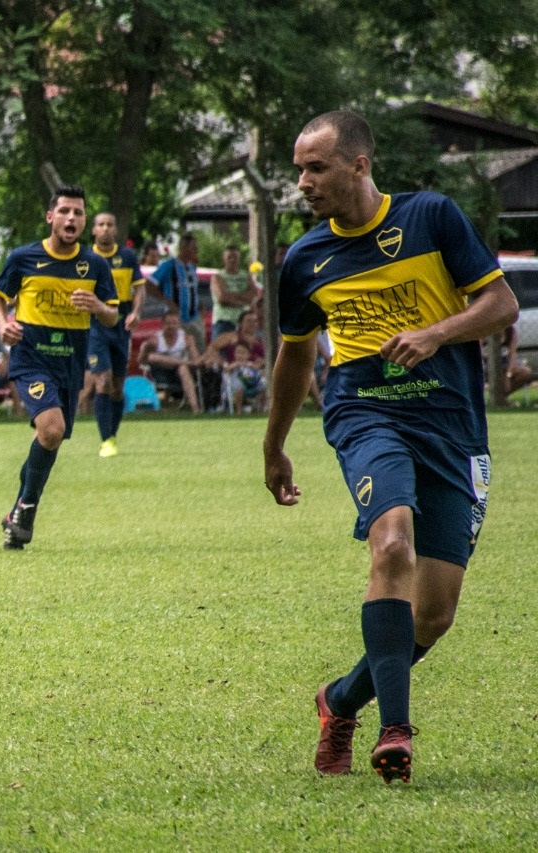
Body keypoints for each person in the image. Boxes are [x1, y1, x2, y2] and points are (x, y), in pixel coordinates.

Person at [263, 110, 518, 784]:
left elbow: (501, 307)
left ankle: (339, 700)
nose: (303, 182)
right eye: (299, 169)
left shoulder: (431, 217)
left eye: (315, 167)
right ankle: (394, 732)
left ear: (359, 164)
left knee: (433, 614)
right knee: (392, 543)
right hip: (364, 412)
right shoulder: (305, 258)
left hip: (451, 426)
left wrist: (435, 333)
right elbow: (293, 360)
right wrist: (274, 445)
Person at [0, 184, 116, 550]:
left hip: (70, 363)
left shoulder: (94, 265)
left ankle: (16, 513)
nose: (72, 218)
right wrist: (3, 324)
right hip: (31, 359)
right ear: (50, 217)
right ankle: (27, 509)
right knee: (52, 427)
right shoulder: (23, 258)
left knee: (49, 437)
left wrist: (97, 306)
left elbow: (112, 317)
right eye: (64, 211)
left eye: (78, 213)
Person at [87, 211, 145, 457]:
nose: (105, 228)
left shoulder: (127, 256)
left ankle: (112, 433)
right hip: (94, 324)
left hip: (121, 324)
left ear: (116, 230)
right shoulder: (85, 258)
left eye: (110, 224)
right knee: (103, 379)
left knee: (118, 387)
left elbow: (139, 289)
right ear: (93, 230)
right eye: (101, 224)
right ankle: (105, 440)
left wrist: (136, 312)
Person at [137, 309, 202, 413]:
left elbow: (197, 360)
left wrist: (194, 362)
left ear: (179, 324)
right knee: (153, 357)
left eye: (174, 323)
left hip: (179, 374)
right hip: (160, 372)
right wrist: (145, 350)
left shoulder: (186, 338)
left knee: (183, 368)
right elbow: (142, 360)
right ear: (163, 324)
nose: (171, 326)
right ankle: (182, 363)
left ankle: (195, 409)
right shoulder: (155, 340)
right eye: (168, 323)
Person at [149, 234, 205, 350]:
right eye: (193, 248)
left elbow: (191, 290)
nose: (196, 251)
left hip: (194, 318)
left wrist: (198, 304)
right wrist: (166, 301)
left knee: (198, 351)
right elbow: (148, 284)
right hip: (177, 320)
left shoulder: (192, 267)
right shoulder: (169, 266)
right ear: (183, 248)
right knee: (180, 353)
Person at [210, 244, 260, 338]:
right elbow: (222, 298)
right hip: (223, 321)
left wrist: (231, 295)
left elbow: (253, 295)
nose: (232, 260)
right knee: (221, 350)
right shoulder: (217, 277)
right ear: (224, 259)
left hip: (244, 322)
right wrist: (244, 300)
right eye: (229, 257)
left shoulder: (246, 276)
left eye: (235, 257)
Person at [221, 340, 266, 414]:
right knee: (239, 389)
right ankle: (239, 411)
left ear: (248, 355)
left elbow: (258, 373)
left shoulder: (250, 364)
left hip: (250, 386)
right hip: (236, 389)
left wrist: (256, 367)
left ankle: (261, 410)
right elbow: (226, 369)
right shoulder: (233, 365)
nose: (240, 355)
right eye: (238, 352)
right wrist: (236, 365)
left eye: (243, 353)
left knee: (264, 387)